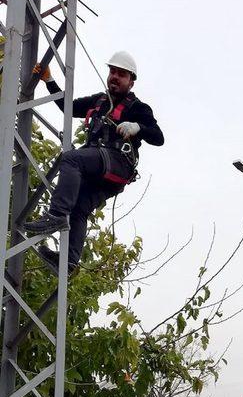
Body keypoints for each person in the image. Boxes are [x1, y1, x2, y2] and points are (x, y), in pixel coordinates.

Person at [29, 51, 164, 273]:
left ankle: (56, 216)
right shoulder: (99, 101)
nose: (115, 77)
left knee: (72, 159)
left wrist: (138, 127)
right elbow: (68, 107)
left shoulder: (138, 108)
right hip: (102, 170)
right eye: (113, 72)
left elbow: (159, 138)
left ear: (131, 81)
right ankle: (69, 263)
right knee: (80, 207)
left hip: (118, 161)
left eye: (121, 74)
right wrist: (49, 81)